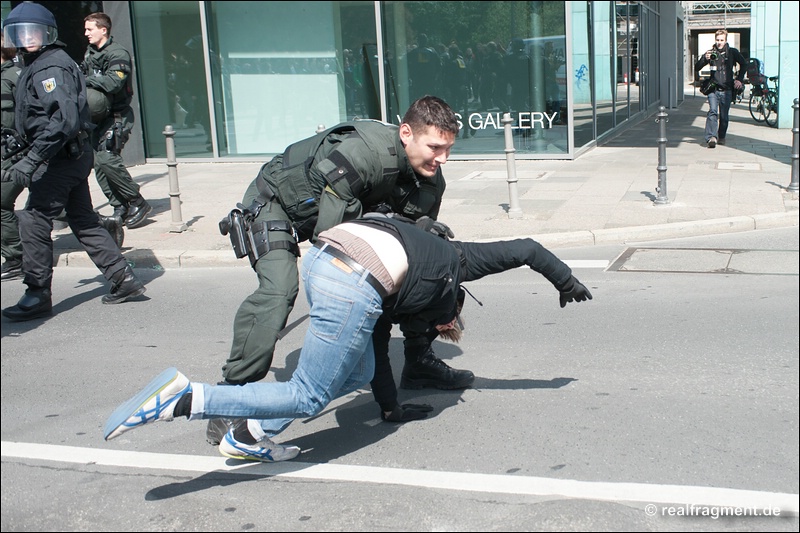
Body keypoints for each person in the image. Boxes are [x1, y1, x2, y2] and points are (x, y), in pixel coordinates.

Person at [104, 213, 593, 462]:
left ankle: (251, 435)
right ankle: (188, 398)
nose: (434, 326)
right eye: (445, 318)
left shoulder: (413, 266)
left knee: (348, 369)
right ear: (453, 295)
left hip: (325, 256)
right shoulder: (460, 262)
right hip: (355, 279)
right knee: (309, 393)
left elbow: (376, 353)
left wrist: (390, 409)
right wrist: (567, 282)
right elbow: (528, 247)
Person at [206, 95, 474, 443]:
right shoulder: (364, 155)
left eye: (448, 149)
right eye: (435, 147)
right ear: (406, 133)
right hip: (279, 208)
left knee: (435, 274)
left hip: (341, 219)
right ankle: (229, 395)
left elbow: (409, 253)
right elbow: (330, 244)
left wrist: (424, 236)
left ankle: (418, 360)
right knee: (279, 290)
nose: (443, 158)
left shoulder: (430, 182)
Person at [1, 3, 146, 322]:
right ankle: (124, 279)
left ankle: (37, 293)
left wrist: (33, 159)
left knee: (34, 219)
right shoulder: (37, 63)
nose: (26, 39)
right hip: (70, 155)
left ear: (47, 34)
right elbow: (40, 116)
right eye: (20, 33)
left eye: (32, 32)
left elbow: (63, 120)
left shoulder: (50, 65)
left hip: (60, 158)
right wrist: (17, 141)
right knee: (83, 219)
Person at [81, 12, 152, 228]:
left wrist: (87, 79)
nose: (86, 34)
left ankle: (136, 201)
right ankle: (119, 205)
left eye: (89, 29)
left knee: (107, 158)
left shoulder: (117, 53)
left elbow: (113, 83)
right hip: (97, 117)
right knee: (99, 164)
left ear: (103, 30)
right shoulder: (90, 53)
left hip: (117, 116)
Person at [694, 29, 747, 148]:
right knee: (712, 111)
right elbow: (697, 67)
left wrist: (739, 79)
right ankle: (711, 137)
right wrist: (704, 58)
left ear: (726, 40)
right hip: (713, 88)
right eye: (717, 40)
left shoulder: (732, 52)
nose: (719, 42)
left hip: (727, 89)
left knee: (724, 116)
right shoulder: (711, 53)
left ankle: (721, 136)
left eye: (722, 40)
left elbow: (744, 64)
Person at [1, 36, 23, 281]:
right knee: (55, 207)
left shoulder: (14, 77)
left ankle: (16, 259)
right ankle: (105, 227)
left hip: (18, 155)